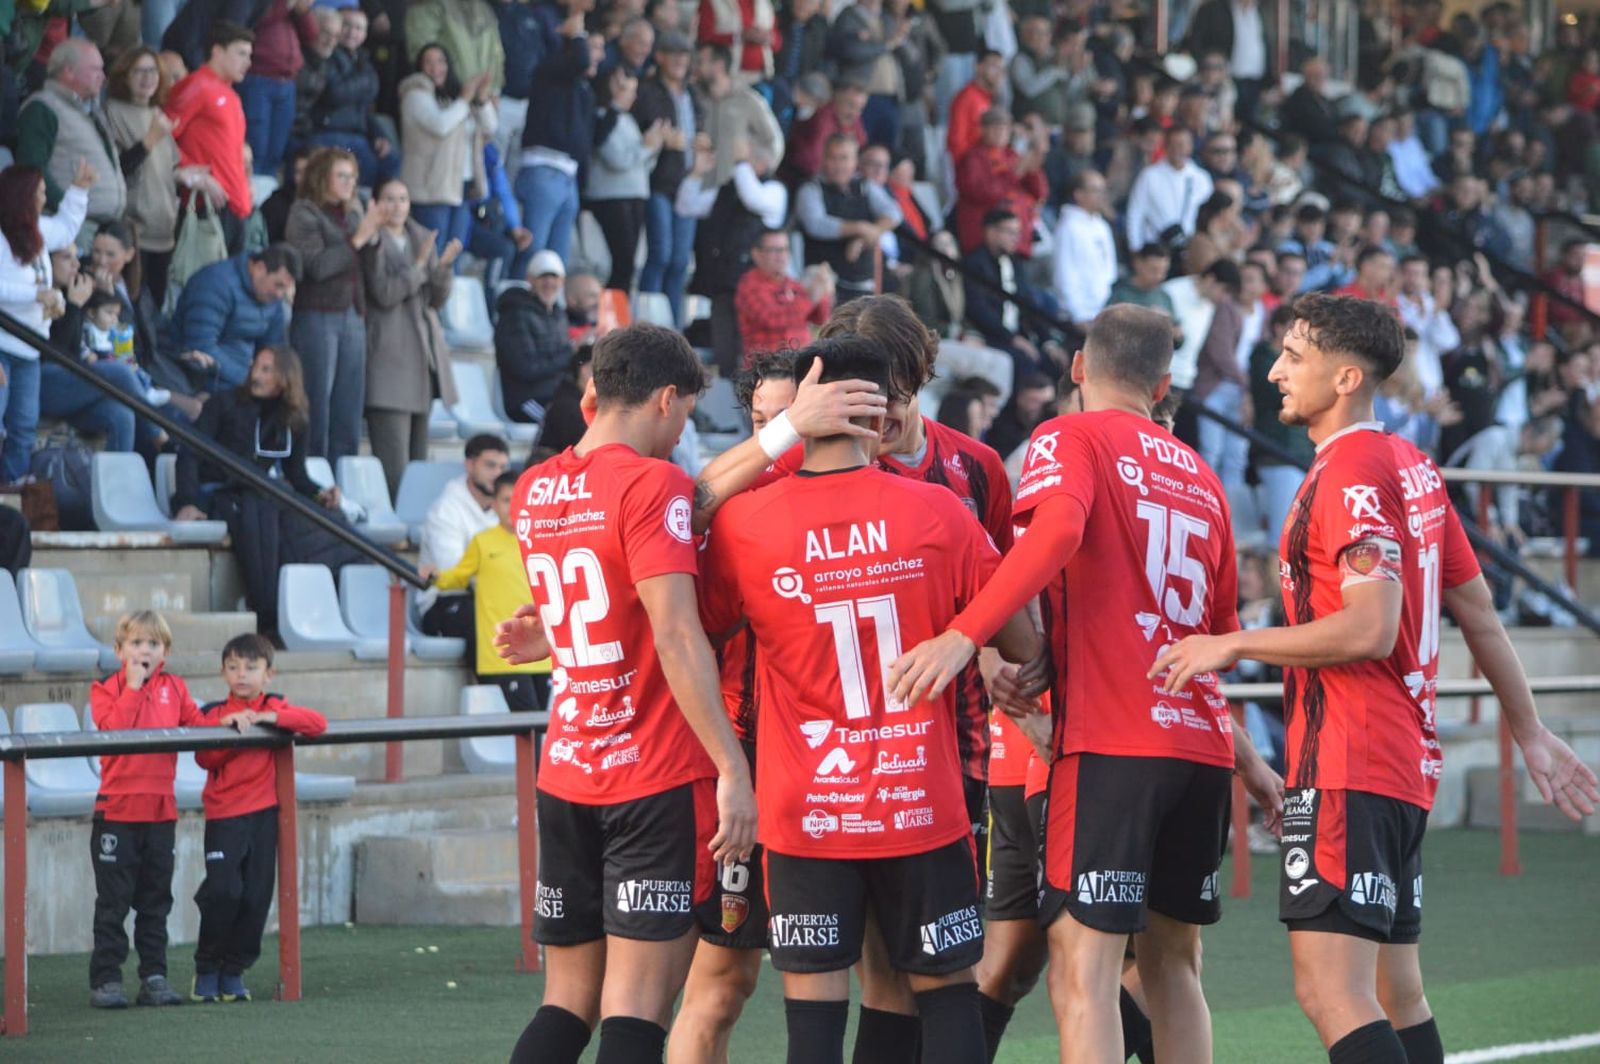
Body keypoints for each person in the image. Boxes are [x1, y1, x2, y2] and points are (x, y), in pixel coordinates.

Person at [1152, 294, 1599, 1064]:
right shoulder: (1411, 465)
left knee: (1333, 992)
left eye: (1294, 357)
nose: (1276, 372)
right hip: (1400, 763)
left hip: (1350, 759)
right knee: (1398, 993)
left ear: (1347, 377)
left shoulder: (1351, 473)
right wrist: (1528, 732)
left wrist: (1231, 643)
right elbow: (1479, 611)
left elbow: (1370, 628)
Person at [889, 304, 1284, 1063]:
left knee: (1083, 969)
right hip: (1199, 747)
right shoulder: (1203, 475)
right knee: (1175, 967)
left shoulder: (1069, 436)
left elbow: (1060, 530)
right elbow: (1219, 633)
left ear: (1077, 367)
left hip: (1111, 744)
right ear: (1164, 385)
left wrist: (965, 633)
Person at [697, 335, 1041, 1064]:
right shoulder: (940, 511)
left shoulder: (745, 523)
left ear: (803, 409)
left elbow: (697, 627)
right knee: (946, 1000)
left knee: (814, 1024)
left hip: (806, 811)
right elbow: (1021, 642)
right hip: (923, 803)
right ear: (881, 419)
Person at [495, 323, 756, 1064]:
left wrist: (553, 639)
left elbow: (604, 599)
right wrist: (732, 768)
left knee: (565, 1005)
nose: (681, 436)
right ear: (667, 399)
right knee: (636, 1013)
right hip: (652, 776)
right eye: (686, 416)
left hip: (567, 772)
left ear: (593, 395)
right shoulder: (653, 482)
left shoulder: (534, 487)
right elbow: (675, 635)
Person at [666, 351, 797, 1064]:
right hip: (747, 753)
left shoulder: (881, 491)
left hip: (851, 761)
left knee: (885, 974)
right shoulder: (726, 500)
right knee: (722, 982)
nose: (775, 437)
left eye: (790, 419)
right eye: (761, 422)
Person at [173, 346, 355, 632]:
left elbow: (297, 476)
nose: (256, 375)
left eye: (266, 370)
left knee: (331, 521)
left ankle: (307, 606)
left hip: (262, 495)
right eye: (255, 367)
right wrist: (187, 502)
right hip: (219, 494)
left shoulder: (294, 419)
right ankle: (267, 608)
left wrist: (319, 494)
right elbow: (189, 454)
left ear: (285, 378)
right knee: (262, 507)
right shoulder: (223, 404)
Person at [191, 633, 328, 1003]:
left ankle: (234, 970)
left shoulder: (275, 704)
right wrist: (231, 729)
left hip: (264, 816)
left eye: (251, 667)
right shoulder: (214, 713)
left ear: (269, 674)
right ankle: (207, 967)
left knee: (255, 898)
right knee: (224, 892)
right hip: (224, 817)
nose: (242, 674)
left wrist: (270, 718)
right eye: (233, 667)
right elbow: (204, 758)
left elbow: (317, 724)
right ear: (223, 673)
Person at [88, 610, 207, 1009]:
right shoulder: (105, 688)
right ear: (119, 650)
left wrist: (233, 716)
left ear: (165, 654)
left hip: (160, 815)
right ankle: (106, 980)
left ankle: (154, 978)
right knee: (113, 904)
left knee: (156, 903)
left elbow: (199, 725)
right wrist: (134, 687)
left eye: (153, 644)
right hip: (117, 814)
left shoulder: (175, 687)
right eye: (136, 643)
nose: (145, 651)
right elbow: (114, 731)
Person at [361, 178, 461, 494]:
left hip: (422, 361)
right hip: (389, 361)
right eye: (389, 199)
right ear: (375, 203)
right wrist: (419, 267)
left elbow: (434, 300)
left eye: (403, 199)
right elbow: (384, 293)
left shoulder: (420, 237)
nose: (397, 206)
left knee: (418, 468)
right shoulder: (372, 239)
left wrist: (442, 269)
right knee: (396, 471)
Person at [423, 471, 550, 711]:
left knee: (544, 723)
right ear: (493, 504)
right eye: (506, 500)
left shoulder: (541, 540)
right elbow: (458, 576)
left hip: (542, 653)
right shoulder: (483, 542)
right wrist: (435, 576)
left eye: (520, 499)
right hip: (504, 654)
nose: (513, 507)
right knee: (526, 720)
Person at [0, 161, 92, 484]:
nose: (43, 197)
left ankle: (12, 494)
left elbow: (66, 228)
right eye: (39, 191)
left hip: (30, 349)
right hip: (3, 346)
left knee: (24, 427)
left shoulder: (38, 229)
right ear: (22, 195)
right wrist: (36, 295)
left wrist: (79, 190)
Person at [287, 146, 381, 460]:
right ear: (321, 177)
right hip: (317, 314)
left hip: (353, 313)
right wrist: (359, 239)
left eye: (352, 176)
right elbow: (316, 266)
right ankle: (311, 469)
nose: (349, 183)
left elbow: (367, 267)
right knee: (316, 399)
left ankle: (343, 472)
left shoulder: (353, 213)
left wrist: (373, 239)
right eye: (341, 176)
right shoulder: (304, 212)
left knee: (348, 404)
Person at [678, 137, 788, 376]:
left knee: (758, 356)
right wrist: (697, 173)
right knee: (726, 356)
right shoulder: (727, 190)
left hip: (760, 291)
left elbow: (753, 198)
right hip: (724, 287)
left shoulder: (774, 190)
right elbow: (686, 206)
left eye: (748, 161)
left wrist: (739, 162)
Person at [104, 46, 197, 309]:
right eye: (139, 71)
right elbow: (116, 169)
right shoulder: (112, 111)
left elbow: (164, 169)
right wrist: (150, 139)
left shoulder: (157, 114)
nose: (148, 78)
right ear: (124, 76)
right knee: (132, 310)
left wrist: (189, 176)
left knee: (154, 311)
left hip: (164, 232)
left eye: (153, 71)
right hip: (135, 233)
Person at [15, 39, 128, 234]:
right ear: (68, 71)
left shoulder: (93, 111)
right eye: (95, 69)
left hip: (101, 227)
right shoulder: (41, 108)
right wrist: (69, 209)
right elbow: (31, 170)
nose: (103, 76)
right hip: (72, 227)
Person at [397, 44, 497, 260]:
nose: (435, 68)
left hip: (461, 187)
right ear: (419, 67)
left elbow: (490, 127)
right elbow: (441, 125)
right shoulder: (415, 94)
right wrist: (465, 99)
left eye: (441, 61)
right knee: (430, 256)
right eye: (428, 62)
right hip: (431, 190)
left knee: (452, 257)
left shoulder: (456, 98)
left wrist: (480, 98)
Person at [516, 7, 598, 263]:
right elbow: (580, 61)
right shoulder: (549, 69)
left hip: (567, 174)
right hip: (544, 169)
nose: (597, 55)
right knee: (532, 256)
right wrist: (576, 34)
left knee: (555, 263)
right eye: (591, 46)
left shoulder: (579, 87)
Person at [166, 22, 256, 249]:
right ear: (217, 51)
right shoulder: (196, 85)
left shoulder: (231, 95)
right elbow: (163, 138)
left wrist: (245, 184)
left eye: (249, 55)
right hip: (207, 204)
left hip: (235, 205)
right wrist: (197, 176)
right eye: (241, 53)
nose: (248, 62)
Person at [165, 244, 300, 395]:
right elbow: (200, 347)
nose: (280, 294)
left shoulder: (272, 300)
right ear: (259, 268)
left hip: (244, 377)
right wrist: (249, 379)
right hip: (205, 378)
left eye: (285, 289)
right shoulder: (214, 284)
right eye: (278, 285)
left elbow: (275, 350)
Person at [417, 433, 510, 646]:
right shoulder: (445, 509)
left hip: (491, 597)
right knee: (486, 623)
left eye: (502, 467)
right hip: (443, 601)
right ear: (469, 465)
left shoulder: (506, 508)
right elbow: (455, 572)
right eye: (490, 465)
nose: (497, 474)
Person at [633, 31, 700, 326]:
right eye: (674, 54)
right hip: (659, 182)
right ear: (659, 57)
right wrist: (662, 140)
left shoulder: (692, 94)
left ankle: (672, 331)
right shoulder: (649, 91)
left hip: (688, 185)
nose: (680, 61)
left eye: (684, 55)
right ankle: (646, 326)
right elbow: (645, 129)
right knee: (660, 254)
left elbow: (698, 129)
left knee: (680, 261)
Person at [795, 134, 901, 307]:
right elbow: (816, 224)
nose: (838, 164)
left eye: (844, 158)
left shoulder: (865, 187)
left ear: (855, 162)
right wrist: (860, 228)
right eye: (833, 157)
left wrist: (864, 237)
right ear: (823, 159)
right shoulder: (810, 189)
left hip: (863, 285)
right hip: (825, 288)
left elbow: (894, 213)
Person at [962, 209, 1065, 378]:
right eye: (1010, 232)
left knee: (1056, 363)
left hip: (1019, 335)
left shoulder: (1015, 263)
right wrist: (1012, 339)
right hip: (992, 337)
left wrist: (1048, 342)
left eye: (1018, 233)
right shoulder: (975, 264)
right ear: (991, 232)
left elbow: (1029, 304)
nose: (1015, 238)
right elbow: (979, 311)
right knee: (1024, 362)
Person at [588, 66, 664, 293]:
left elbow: (643, 164)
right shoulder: (602, 117)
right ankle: (611, 310)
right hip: (612, 197)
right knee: (620, 261)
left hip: (636, 194)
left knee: (629, 263)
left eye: (633, 91)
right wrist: (646, 147)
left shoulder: (629, 120)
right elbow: (617, 160)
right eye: (626, 90)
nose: (631, 96)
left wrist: (654, 145)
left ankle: (621, 308)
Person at [306, 10, 397, 190]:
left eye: (359, 28)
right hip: (328, 131)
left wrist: (379, 135)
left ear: (365, 34)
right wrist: (366, 81)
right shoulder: (328, 54)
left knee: (391, 160)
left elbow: (365, 105)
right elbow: (336, 93)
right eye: (347, 25)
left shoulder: (363, 59)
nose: (352, 32)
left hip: (357, 134)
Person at [495, 250, 575, 426]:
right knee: (568, 424)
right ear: (530, 279)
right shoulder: (514, 314)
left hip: (555, 396)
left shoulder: (559, 315)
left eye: (554, 277)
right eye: (542, 276)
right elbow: (526, 368)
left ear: (562, 281)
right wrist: (570, 352)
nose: (549, 282)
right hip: (525, 400)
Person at [953, 109, 1048, 256]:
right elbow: (984, 193)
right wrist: (1015, 173)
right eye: (995, 128)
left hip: (1019, 236)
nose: (1001, 132)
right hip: (986, 239)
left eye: (1005, 128)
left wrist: (1034, 166)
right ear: (982, 130)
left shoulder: (1011, 155)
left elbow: (1039, 192)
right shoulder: (973, 159)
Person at [240, 0, 318, 177]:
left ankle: (266, 190)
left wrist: (302, 11)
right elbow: (253, 21)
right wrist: (286, 5)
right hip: (259, 80)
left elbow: (311, 34)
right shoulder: (272, 5)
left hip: (287, 84)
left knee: (276, 152)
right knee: (256, 148)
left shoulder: (290, 9)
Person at [694, 41, 784, 189]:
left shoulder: (748, 100)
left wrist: (756, 178)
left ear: (719, 65)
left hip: (736, 192)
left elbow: (774, 142)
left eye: (700, 62)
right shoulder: (696, 99)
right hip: (702, 189)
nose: (695, 67)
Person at [734, 227, 833, 360]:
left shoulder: (793, 284)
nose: (781, 256)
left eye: (785, 249)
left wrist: (823, 288)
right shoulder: (749, 285)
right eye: (775, 250)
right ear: (756, 254)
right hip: (767, 366)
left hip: (799, 361)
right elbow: (772, 319)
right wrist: (811, 297)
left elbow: (820, 318)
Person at [1124, 125, 1214, 256]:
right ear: (1166, 147)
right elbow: (1135, 213)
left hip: (1189, 250)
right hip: (1157, 249)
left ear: (1191, 146)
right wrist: (1135, 247)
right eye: (1175, 144)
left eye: (1183, 144)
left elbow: (1208, 215)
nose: (1179, 149)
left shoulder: (1201, 178)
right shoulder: (1149, 175)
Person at [1052, 169, 1117, 331]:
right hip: (1078, 317)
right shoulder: (1068, 227)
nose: (1102, 196)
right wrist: (1078, 314)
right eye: (1096, 190)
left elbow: (1110, 270)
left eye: (1103, 190)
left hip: (1103, 311)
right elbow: (1064, 273)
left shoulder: (1102, 226)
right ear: (1078, 194)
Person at [405, 0, 505, 94]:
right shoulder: (427, 6)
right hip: (447, 97)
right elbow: (421, 53)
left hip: (484, 96)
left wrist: (494, 89)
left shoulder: (482, 7)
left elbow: (495, 52)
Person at [946, 49, 1005, 165]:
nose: (999, 74)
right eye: (994, 67)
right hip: (971, 165)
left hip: (987, 161)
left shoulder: (990, 98)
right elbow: (956, 144)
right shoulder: (966, 98)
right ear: (978, 67)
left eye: (1002, 69)